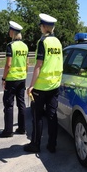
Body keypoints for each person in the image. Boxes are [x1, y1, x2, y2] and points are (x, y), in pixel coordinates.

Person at [23, 13, 63, 153]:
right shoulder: (58, 42)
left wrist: (31, 85)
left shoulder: (43, 42)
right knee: (52, 116)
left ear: (45, 27)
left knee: (37, 117)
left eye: (41, 25)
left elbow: (38, 65)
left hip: (41, 86)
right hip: (54, 86)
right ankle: (52, 145)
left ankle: (35, 145)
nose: (40, 27)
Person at [0, 21, 29, 138]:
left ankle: (8, 131)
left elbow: (8, 64)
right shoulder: (25, 46)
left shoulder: (10, 46)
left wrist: (4, 78)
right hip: (22, 79)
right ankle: (22, 128)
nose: (8, 32)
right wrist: (23, 74)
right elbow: (27, 63)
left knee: (9, 105)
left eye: (9, 30)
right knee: (21, 104)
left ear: (13, 32)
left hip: (11, 79)